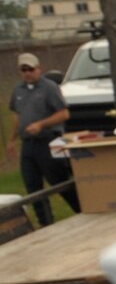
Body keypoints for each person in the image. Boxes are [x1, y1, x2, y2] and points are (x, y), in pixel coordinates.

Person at [9, 53, 73, 225]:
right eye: (24, 70)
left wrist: (41, 124)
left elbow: (64, 113)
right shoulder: (18, 90)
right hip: (28, 144)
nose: (27, 73)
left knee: (58, 180)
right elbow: (18, 116)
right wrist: (11, 140)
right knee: (32, 185)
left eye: (30, 69)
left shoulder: (49, 87)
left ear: (38, 69)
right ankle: (45, 222)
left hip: (48, 141)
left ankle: (81, 209)